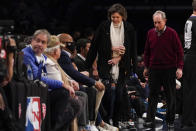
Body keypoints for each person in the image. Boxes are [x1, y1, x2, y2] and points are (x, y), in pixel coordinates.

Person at [85, 3, 137, 126]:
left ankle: (117, 120)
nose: (115, 19)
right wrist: (111, 49)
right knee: (107, 94)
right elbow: (95, 47)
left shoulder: (129, 28)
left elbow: (132, 49)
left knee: (120, 95)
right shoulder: (104, 26)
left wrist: (120, 58)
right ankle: (106, 120)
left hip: (122, 66)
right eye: (113, 17)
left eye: (117, 17)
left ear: (123, 16)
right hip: (105, 64)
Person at [22, 29, 80, 130]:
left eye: (43, 42)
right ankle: (52, 127)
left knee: (73, 105)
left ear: (46, 45)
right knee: (63, 93)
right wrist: (62, 84)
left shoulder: (42, 56)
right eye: (37, 40)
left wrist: (68, 83)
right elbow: (37, 77)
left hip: (43, 91)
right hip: (32, 93)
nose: (40, 44)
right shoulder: (27, 54)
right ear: (32, 41)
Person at [143, 10, 184, 129]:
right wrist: (146, 66)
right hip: (154, 69)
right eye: (154, 23)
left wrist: (179, 68)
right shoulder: (150, 33)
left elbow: (180, 52)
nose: (156, 25)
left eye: (159, 22)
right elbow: (147, 52)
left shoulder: (172, 33)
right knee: (152, 95)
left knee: (170, 96)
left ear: (165, 21)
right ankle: (150, 119)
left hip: (169, 69)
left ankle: (170, 120)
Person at [182, 0, 196, 127]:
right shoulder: (194, 21)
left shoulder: (189, 20)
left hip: (188, 56)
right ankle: (188, 119)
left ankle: (189, 118)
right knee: (191, 90)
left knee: (189, 89)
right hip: (193, 57)